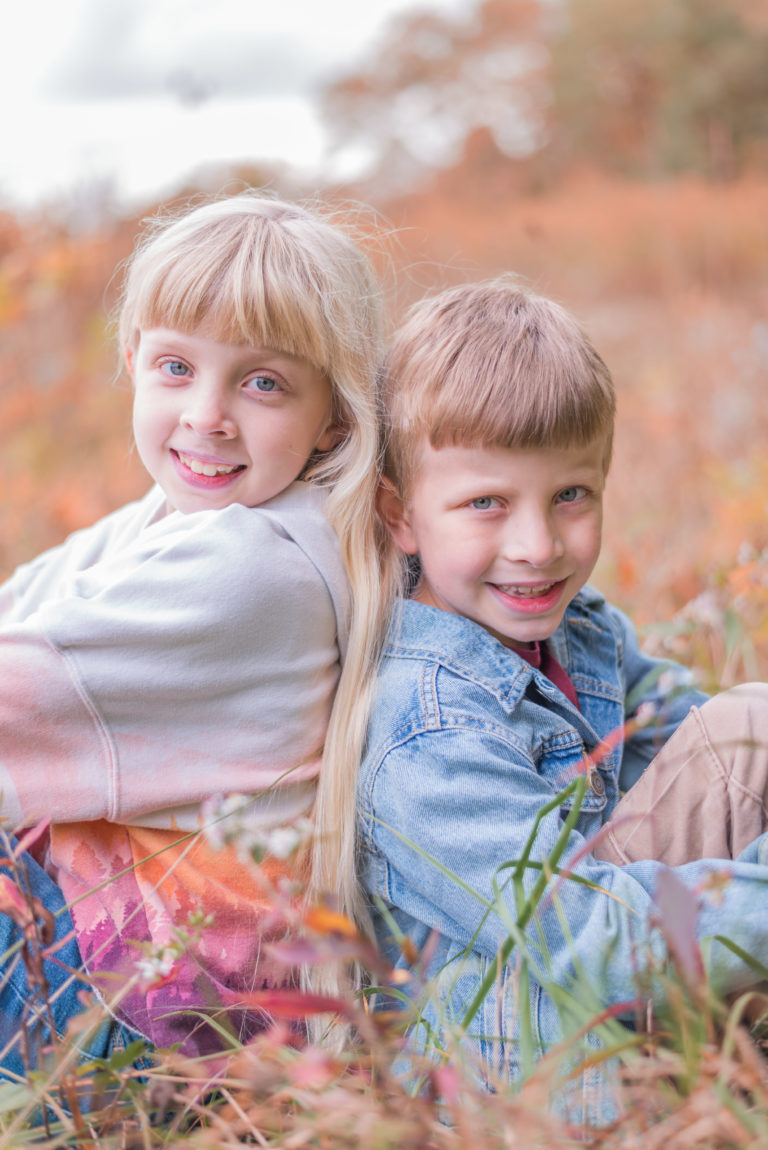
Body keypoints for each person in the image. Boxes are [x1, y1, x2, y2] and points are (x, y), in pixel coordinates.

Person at [314, 277, 768, 1124]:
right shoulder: (424, 728)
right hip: (527, 1082)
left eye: (571, 496)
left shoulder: (577, 630)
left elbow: (708, 747)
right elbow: (586, 937)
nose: (538, 546)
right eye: (486, 504)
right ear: (400, 516)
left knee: (751, 725)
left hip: (618, 994)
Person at [0, 191, 384, 1085]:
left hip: (152, 1006)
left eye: (263, 383)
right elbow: (25, 602)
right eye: (177, 366)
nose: (207, 415)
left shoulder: (252, 567)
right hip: (134, 951)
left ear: (334, 415)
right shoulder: (190, 515)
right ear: (132, 360)